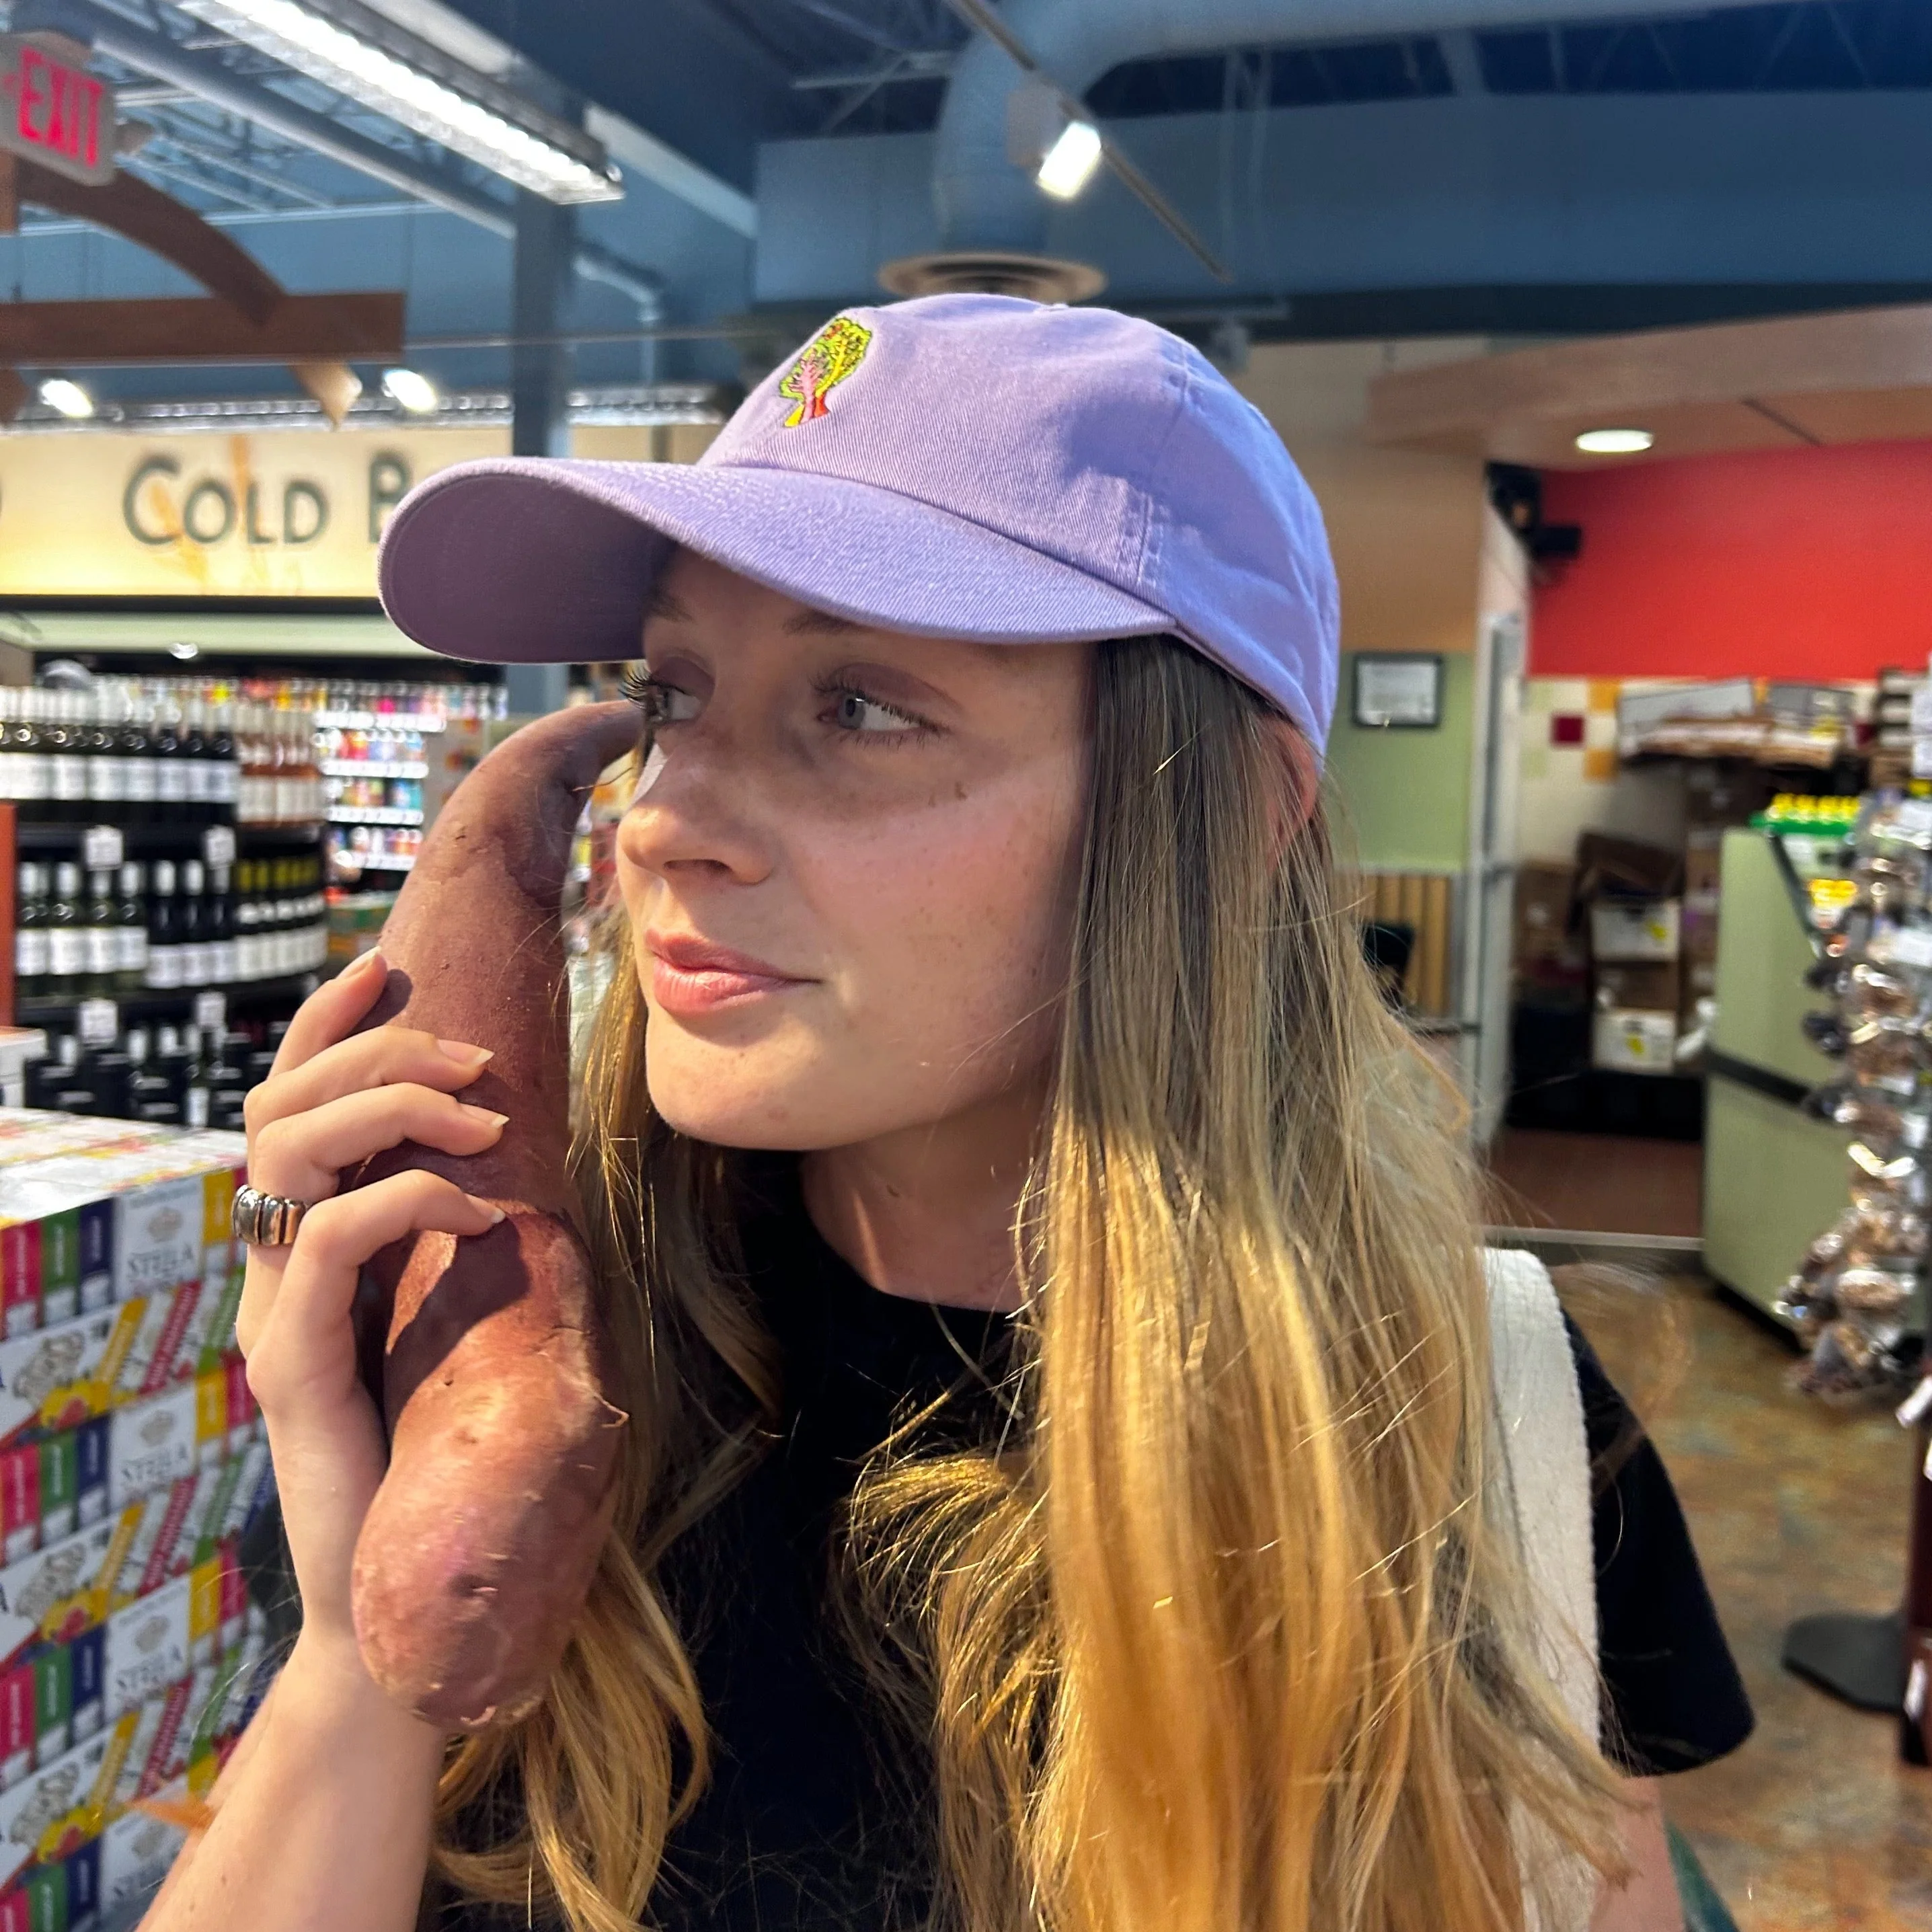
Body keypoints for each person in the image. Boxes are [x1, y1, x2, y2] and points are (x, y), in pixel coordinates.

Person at [140, 296, 1748, 1932]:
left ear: (1221, 816)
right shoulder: (515, 1373)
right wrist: (357, 1648)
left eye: (859, 706)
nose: (665, 818)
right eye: (675, 690)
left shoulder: (1470, 1429)